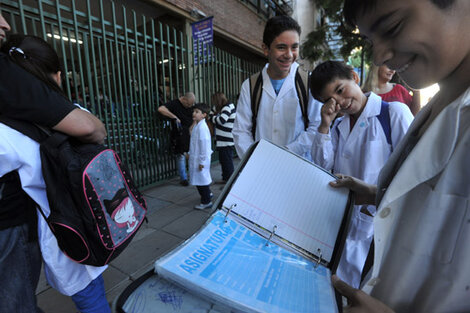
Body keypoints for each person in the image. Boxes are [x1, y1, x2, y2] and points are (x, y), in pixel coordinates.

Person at [328, 0, 470, 312]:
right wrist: (377, 194)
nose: (379, 56)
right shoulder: (440, 101)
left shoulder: (398, 110)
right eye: (369, 40)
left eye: (392, 27)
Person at [0, 34, 110, 312]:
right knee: (92, 295)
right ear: (58, 76)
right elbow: (96, 134)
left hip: (54, 229)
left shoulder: (6, 132)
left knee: (20, 298)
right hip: (92, 221)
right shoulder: (78, 115)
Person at [309, 60, 413, 288]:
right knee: (342, 286)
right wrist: (324, 125)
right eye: (332, 101)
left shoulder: (392, 113)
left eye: (341, 90)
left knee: (372, 288)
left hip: (382, 224)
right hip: (343, 222)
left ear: (354, 77)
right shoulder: (337, 127)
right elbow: (321, 166)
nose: (342, 102)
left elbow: (413, 169)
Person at [232, 15, 321, 160]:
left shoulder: (308, 82)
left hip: (299, 165)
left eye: (294, 47)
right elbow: (241, 130)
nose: (289, 55)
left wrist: (288, 151)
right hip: (261, 165)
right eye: (281, 47)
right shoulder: (250, 86)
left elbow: (317, 125)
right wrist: (255, 159)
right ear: (266, 49)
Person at [158, 92, 195, 186]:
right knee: (181, 155)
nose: (189, 106)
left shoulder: (190, 105)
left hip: (190, 132)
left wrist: (192, 127)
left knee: (192, 154)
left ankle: (193, 175)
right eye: (188, 104)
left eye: (191, 105)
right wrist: (174, 116)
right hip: (179, 134)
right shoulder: (174, 104)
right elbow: (161, 109)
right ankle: (184, 178)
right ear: (184, 99)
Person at [189, 103, 213, 210]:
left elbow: (204, 145)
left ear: (204, 114)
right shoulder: (198, 125)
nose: (194, 113)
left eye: (197, 112)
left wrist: (202, 162)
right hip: (197, 158)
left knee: (201, 181)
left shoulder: (202, 128)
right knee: (201, 179)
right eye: (194, 111)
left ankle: (206, 201)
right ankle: (208, 194)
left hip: (200, 160)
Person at [210, 91, 236, 183]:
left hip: (226, 140)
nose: (213, 103)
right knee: (224, 161)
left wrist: (211, 118)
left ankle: (230, 181)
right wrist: (212, 115)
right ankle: (225, 179)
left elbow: (221, 120)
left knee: (227, 162)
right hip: (222, 140)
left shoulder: (227, 107)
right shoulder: (222, 107)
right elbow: (211, 111)